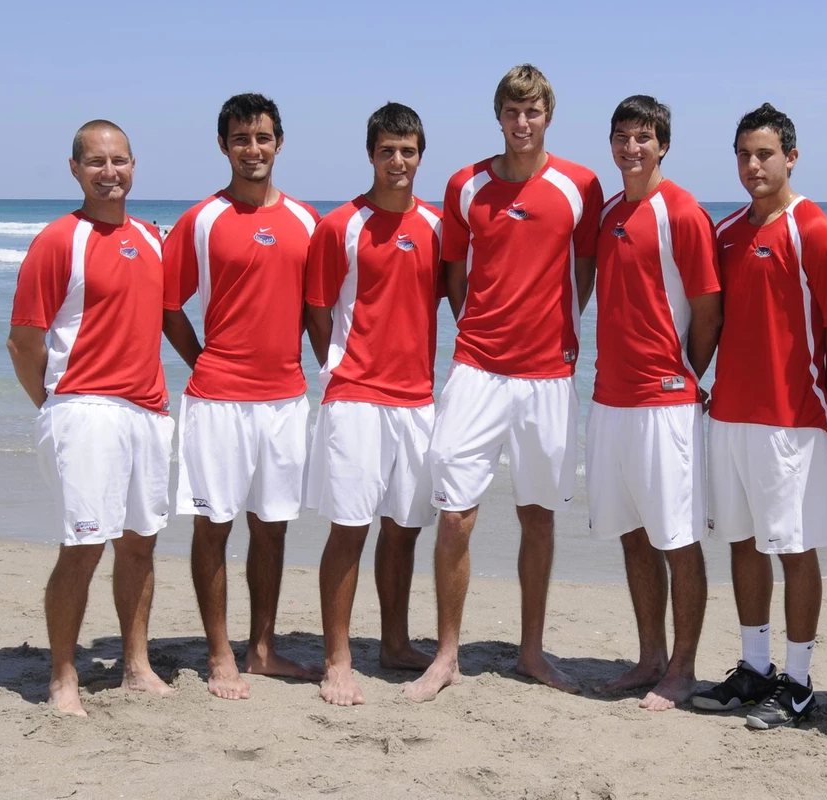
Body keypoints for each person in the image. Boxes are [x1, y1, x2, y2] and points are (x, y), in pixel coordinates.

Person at [404, 65, 604, 702]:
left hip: (548, 375)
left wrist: (555, 334)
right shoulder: (465, 185)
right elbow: (456, 278)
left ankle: (532, 651)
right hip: (477, 370)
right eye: (513, 112)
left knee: (538, 517)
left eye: (534, 112)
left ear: (549, 115)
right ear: (499, 116)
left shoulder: (581, 185)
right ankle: (445, 654)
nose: (523, 123)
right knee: (455, 515)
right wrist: (484, 331)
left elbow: (585, 271)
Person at [692, 104, 827, 729]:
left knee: (794, 548)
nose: (753, 165)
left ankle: (800, 682)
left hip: (790, 421)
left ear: (791, 156)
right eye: (743, 154)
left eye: (764, 153)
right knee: (741, 541)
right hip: (729, 414)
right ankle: (755, 668)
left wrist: (815, 403)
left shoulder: (815, 231)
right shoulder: (728, 231)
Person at [7, 120, 175, 715]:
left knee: (139, 545)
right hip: (86, 412)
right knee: (82, 548)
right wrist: (56, 405)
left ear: (135, 166)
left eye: (120, 161)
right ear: (75, 169)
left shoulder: (154, 239)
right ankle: (62, 678)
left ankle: (135, 665)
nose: (111, 172)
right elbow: (23, 342)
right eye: (97, 162)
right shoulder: (59, 240)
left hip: (149, 413)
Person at [162, 93, 320, 700]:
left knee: (273, 527)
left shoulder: (307, 222)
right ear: (224, 146)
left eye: (261, 138)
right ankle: (220, 653)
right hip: (217, 400)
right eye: (239, 139)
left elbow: (317, 310)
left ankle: (262, 649)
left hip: (285, 400)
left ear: (279, 142)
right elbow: (169, 305)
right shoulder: (201, 220)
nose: (251, 149)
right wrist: (202, 360)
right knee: (214, 526)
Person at [304, 103, 442, 706]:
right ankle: (337, 659)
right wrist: (339, 365)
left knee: (405, 529)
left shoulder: (438, 227)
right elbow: (316, 311)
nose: (398, 161)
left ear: (420, 154)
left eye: (408, 150)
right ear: (370, 154)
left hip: (418, 399)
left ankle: (393, 642)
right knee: (350, 528)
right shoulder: (340, 226)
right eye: (387, 150)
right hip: (356, 396)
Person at [587, 95, 722, 711]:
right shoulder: (609, 211)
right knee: (632, 534)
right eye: (621, 137)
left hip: (665, 401)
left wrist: (684, 373)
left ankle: (682, 667)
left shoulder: (684, 213)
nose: (631, 148)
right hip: (609, 398)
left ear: (662, 144)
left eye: (643, 137)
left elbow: (709, 309)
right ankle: (648, 656)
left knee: (676, 537)